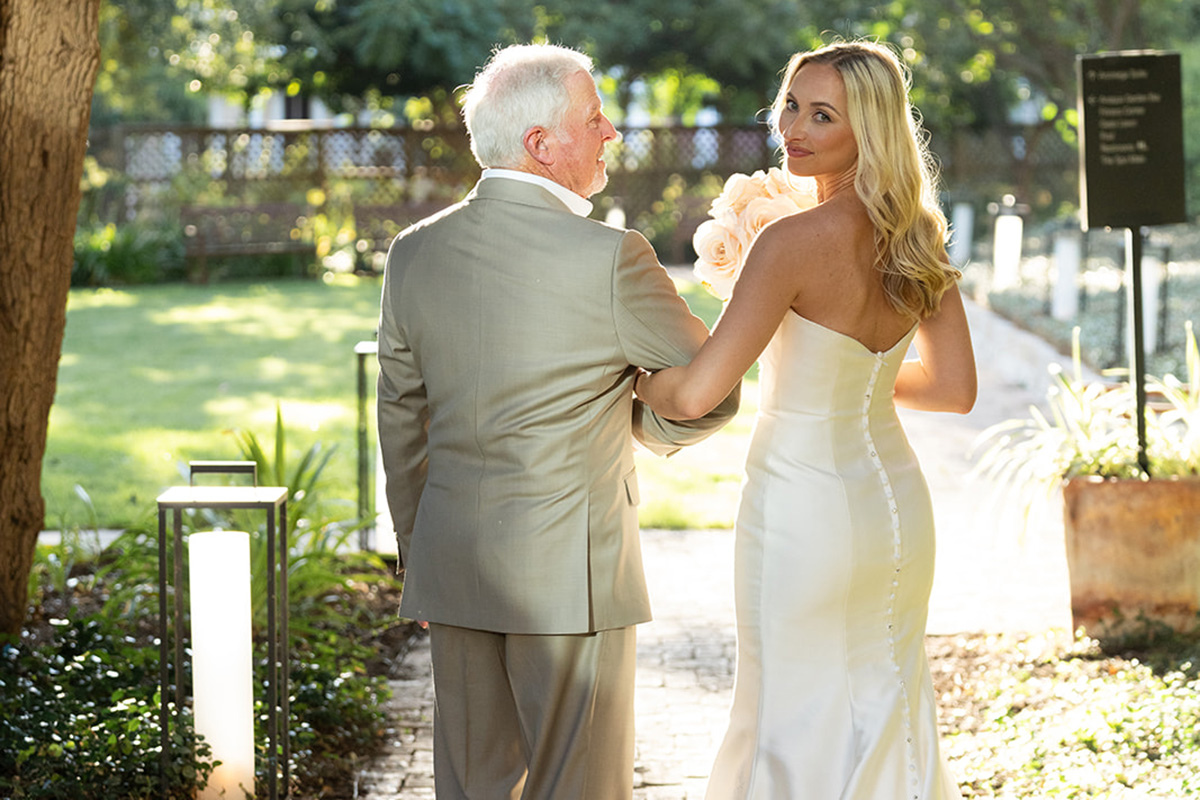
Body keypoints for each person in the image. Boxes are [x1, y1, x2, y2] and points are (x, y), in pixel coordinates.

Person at [375, 43, 739, 800]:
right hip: (572, 577)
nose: (612, 133)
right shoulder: (611, 257)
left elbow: (401, 417)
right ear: (541, 144)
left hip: (453, 564)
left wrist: (420, 555)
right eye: (595, 118)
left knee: (472, 788)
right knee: (581, 787)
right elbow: (714, 389)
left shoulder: (413, 253)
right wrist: (637, 420)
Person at [634, 41, 976, 798]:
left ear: (871, 129)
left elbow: (695, 396)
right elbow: (953, 389)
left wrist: (638, 383)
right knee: (888, 699)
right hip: (895, 511)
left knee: (785, 709)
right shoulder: (919, 237)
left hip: (800, 512)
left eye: (823, 115)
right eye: (791, 104)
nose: (794, 127)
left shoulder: (787, 242)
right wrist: (856, 382)